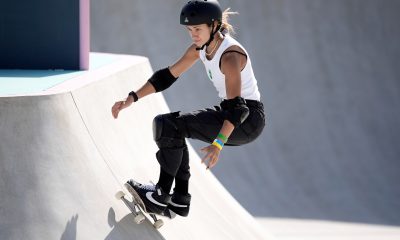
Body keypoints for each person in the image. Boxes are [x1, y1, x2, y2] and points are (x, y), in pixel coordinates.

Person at [111, 0, 265, 217]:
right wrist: (132, 97)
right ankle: (179, 200)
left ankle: (160, 195)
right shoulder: (199, 49)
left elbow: (238, 110)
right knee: (171, 126)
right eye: (190, 30)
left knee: (169, 125)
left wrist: (218, 144)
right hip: (232, 113)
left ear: (214, 26)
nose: (193, 34)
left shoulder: (230, 56)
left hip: (246, 120)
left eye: (198, 29)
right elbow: (167, 76)